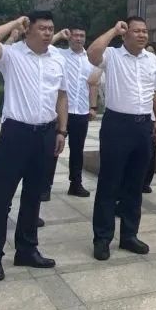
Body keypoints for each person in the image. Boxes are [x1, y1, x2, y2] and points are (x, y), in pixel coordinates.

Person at [0, 12, 68, 282]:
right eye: (42, 28)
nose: (47, 33)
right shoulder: (12, 55)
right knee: (1, 197)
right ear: (29, 30)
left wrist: (61, 130)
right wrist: (14, 24)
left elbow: (61, 96)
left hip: (46, 133)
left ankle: (27, 250)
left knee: (34, 196)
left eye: (51, 29)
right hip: (16, 133)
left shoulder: (58, 58)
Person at [86, 18, 156, 261]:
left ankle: (129, 235)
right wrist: (112, 30)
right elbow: (92, 54)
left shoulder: (151, 59)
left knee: (135, 184)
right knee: (109, 183)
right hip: (117, 125)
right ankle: (102, 238)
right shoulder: (112, 55)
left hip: (143, 126)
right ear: (125, 34)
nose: (142, 35)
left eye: (145, 31)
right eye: (136, 31)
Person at [46, 26, 96, 198]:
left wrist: (93, 107)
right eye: (75, 35)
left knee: (77, 151)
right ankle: (45, 186)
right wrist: (59, 35)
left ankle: (75, 184)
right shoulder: (59, 54)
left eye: (82, 35)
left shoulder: (90, 59)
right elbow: (44, 45)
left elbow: (93, 84)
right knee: (53, 149)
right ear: (70, 38)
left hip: (81, 111)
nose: (79, 38)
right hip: (61, 111)